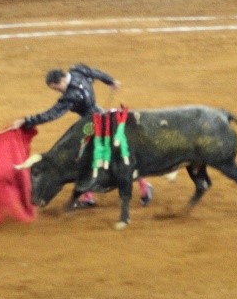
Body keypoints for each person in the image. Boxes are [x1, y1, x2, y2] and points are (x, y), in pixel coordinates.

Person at [10, 64, 154, 208]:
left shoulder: (71, 96)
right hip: (103, 116)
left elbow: (52, 114)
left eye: (55, 88)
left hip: (92, 125)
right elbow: (94, 72)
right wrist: (110, 81)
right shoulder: (78, 70)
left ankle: (91, 196)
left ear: (60, 82)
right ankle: (142, 187)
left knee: (85, 158)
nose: (57, 91)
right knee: (119, 155)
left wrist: (26, 121)